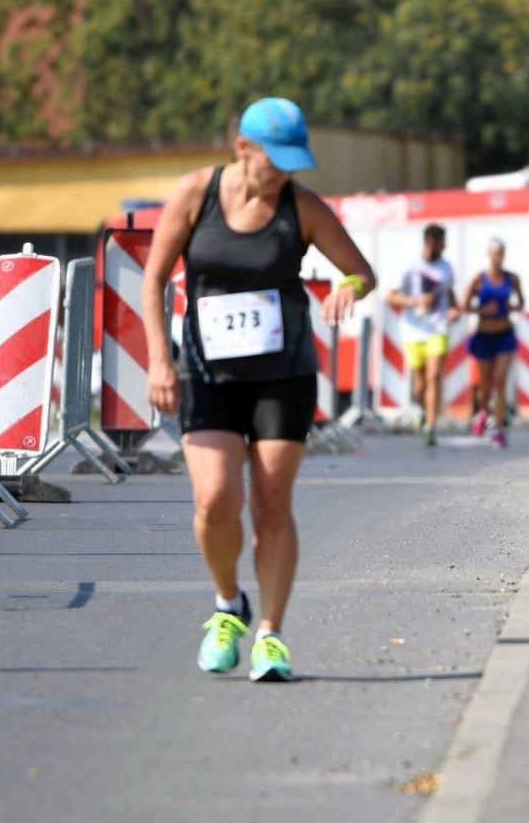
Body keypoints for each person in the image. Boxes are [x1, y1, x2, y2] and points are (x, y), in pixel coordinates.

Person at [144, 97, 376, 682]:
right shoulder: (196, 194)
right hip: (208, 372)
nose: (286, 174)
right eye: (278, 162)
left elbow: (361, 271)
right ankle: (229, 605)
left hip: (283, 375)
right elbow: (152, 280)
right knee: (215, 501)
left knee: (272, 503)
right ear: (243, 147)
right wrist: (157, 361)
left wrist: (348, 287)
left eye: (294, 164)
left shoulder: (302, 207)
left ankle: (271, 634)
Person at [386, 225, 458, 446]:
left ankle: (430, 426)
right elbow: (391, 297)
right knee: (419, 384)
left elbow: (449, 293)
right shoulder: (410, 267)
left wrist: (454, 309)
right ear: (430, 242)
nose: (444, 247)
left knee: (434, 375)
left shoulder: (446, 268)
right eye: (441, 242)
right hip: (413, 330)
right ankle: (422, 410)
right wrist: (415, 302)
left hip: (438, 328)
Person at [464, 238, 524, 449]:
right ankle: (482, 411)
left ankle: (498, 428)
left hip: (504, 334)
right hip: (484, 335)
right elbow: (465, 307)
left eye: (501, 253)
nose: (498, 258)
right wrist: (482, 310)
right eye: (495, 254)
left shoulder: (512, 279)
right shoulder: (479, 279)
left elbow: (521, 303)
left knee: (500, 382)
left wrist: (512, 306)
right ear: (489, 255)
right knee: (485, 384)